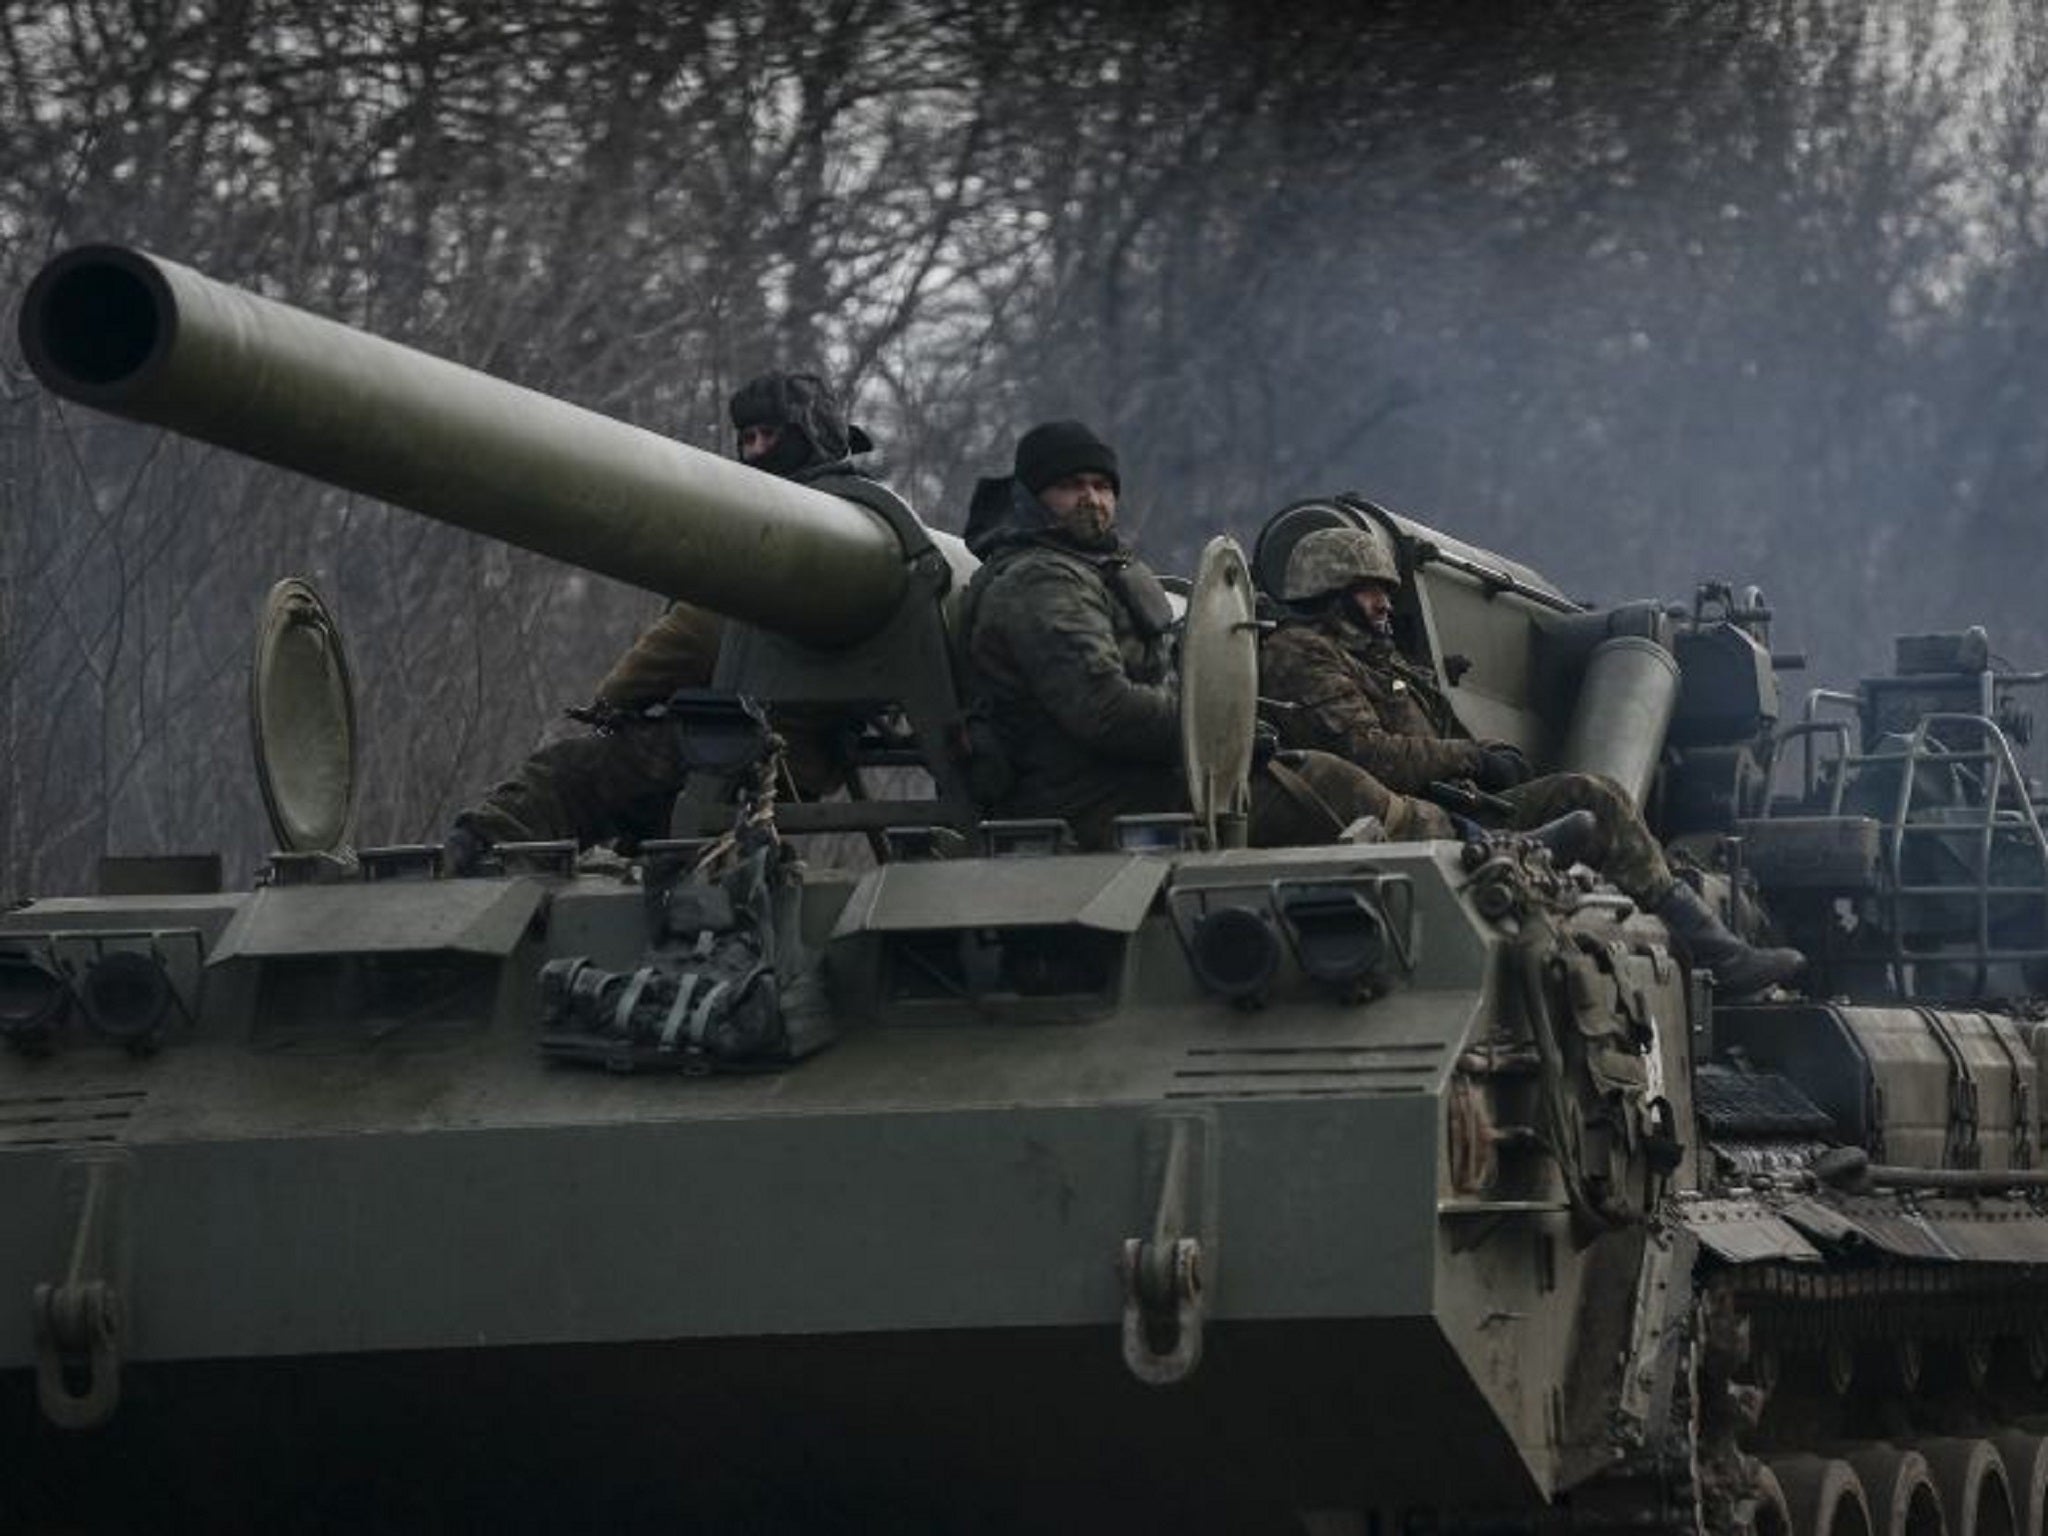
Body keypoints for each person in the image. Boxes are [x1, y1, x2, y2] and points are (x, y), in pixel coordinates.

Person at [1261, 523, 1804, 995]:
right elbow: (1367, 753)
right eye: (1368, 589)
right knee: (1594, 799)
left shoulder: (1379, 660)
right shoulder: (1301, 654)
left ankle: (1717, 950)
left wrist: (1491, 756)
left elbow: (1434, 734)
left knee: (1589, 796)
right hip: (1402, 819)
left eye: (1384, 590)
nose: (1383, 603)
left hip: (1455, 807)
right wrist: (1472, 757)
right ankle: (1720, 954)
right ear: (1328, 590)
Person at [446, 372, 879, 868]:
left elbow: (699, 632)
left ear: (806, 436)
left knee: (572, 772)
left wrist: (613, 702)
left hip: (746, 748)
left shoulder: (785, 536)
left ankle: (485, 854)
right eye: (747, 438)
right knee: (650, 823)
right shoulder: (858, 522)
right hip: (803, 757)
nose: (756, 451)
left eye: (770, 437)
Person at [961, 420, 1456, 850]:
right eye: (1071, 486)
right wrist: (1221, 732)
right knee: (1333, 790)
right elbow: (1104, 710)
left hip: (1142, 777)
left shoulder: (1092, 570)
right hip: (1088, 795)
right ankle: (1460, 847)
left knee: (1323, 776)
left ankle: (1462, 840)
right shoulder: (1040, 582)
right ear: (1032, 497)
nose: (1092, 500)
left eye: (1102, 486)